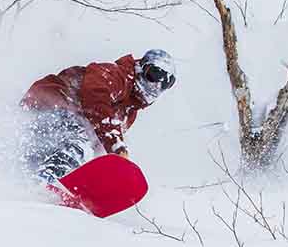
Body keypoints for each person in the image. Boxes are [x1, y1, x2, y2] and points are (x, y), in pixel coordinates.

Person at [19, 49, 177, 184]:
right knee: (80, 142)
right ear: (141, 68)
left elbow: (99, 139)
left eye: (166, 82)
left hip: (57, 131)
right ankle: (45, 181)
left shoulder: (129, 111)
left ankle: (44, 183)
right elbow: (95, 100)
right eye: (154, 74)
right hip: (50, 106)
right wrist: (117, 147)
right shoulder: (117, 74)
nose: (157, 84)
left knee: (83, 150)